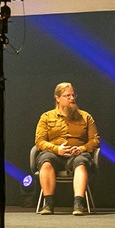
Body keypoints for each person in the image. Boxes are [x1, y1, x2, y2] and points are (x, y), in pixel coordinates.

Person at [33, 82, 101, 214]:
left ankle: (78, 204)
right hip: (54, 153)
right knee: (46, 161)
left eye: (73, 95)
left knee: (81, 162)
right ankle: (48, 204)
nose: (72, 98)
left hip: (77, 153)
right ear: (57, 98)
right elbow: (39, 141)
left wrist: (82, 148)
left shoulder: (85, 117)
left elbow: (95, 140)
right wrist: (56, 149)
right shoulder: (46, 117)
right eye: (67, 96)